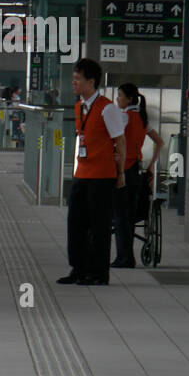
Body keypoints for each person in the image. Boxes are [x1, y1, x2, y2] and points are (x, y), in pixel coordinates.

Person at [58, 58, 126, 286]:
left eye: (78, 79)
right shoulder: (80, 107)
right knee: (75, 223)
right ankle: (78, 268)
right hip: (82, 173)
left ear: (91, 81)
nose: (74, 83)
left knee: (99, 226)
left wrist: (121, 173)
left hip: (102, 176)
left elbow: (120, 142)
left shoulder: (108, 109)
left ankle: (98, 272)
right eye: (74, 78)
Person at [112, 82, 165, 268]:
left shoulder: (123, 117)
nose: (117, 99)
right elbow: (160, 142)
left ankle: (124, 258)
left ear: (129, 99)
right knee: (128, 215)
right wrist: (151, 166)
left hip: (122, 170)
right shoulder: (143, 120)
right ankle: (126, 256)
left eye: (119, 96)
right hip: (137, 169)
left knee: (120, 216)